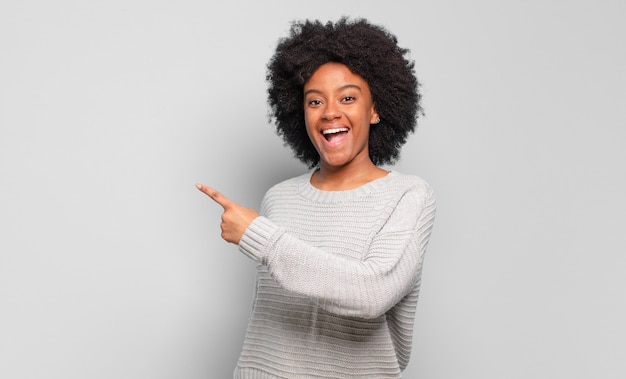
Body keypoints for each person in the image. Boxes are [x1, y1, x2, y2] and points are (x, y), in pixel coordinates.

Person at [197, 17, 436, 379]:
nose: (330, 113)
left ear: (375, 109)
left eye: (348, 97)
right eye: (314, 101)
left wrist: (260, 236)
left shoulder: (408, 195)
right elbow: (269, 324)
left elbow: (371, 293)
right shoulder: (279, 198)